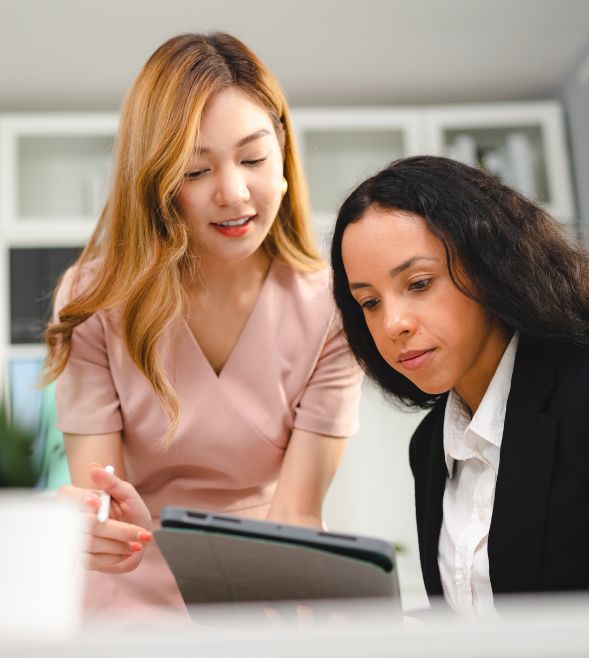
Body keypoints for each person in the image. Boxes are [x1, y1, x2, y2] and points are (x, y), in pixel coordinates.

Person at [44, 32, 362, 615]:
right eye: (195, 170)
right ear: (156, 185)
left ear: (284, 156)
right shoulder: (93, 300)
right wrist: (103, 522)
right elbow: (101, 497)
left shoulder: (333, 311)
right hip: (131, 577)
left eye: (254, 158)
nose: (235, 192)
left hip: (269, 573)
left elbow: (297, 514)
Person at [330, 155, 589, 618]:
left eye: (419, 283)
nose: (393, 324)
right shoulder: (429, 448)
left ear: (489, 264)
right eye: (368, 302)